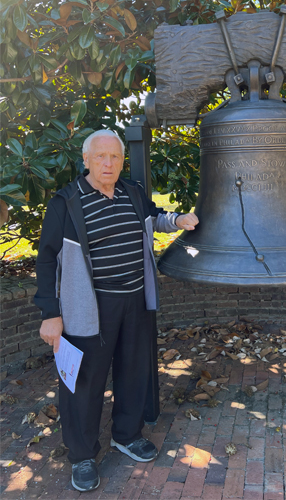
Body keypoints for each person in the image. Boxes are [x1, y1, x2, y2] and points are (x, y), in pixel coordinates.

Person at [34, 129, 198, 492]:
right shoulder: (66, 202)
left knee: (134, 371)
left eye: (116, 158)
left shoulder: (132, 192)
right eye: (101, 157)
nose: (109, 164)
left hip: (136, 300)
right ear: (86, 159)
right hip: (89, 307)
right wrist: (50, 312)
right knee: (82, 382)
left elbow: (152, 218)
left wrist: (178, 220)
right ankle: (82, 455)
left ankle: (127, 433)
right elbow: (46, 261)